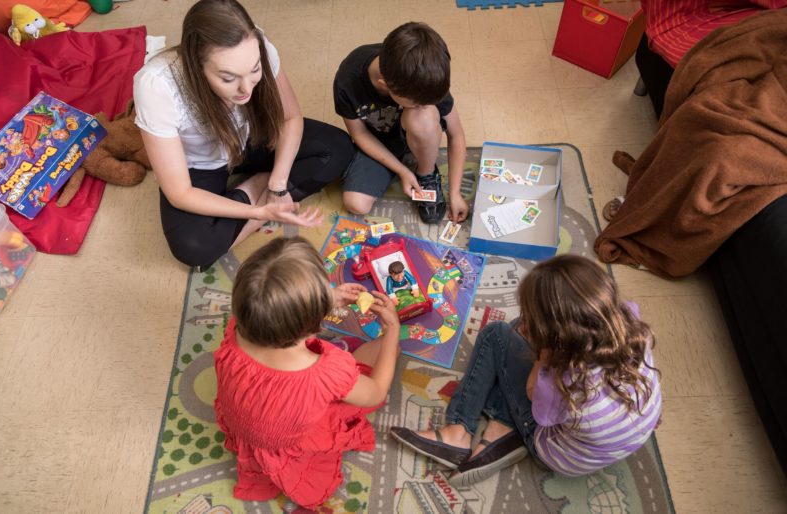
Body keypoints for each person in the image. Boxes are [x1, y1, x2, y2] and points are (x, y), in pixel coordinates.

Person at [390, 255, 662, 487]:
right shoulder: (630, 323)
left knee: (496, 335)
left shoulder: (558, 382)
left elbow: (535, 403)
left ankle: (458, 431)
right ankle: (500, 433)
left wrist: (541, 361)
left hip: (554, 452)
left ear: (558, 343)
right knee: (518, 326)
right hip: (623, 439)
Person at [134, 0, 355, 269]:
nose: (245, 89)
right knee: (194, 248)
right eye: (228, 78)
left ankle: (264, 186)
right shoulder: (157, 85)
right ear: (195, 64)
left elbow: (290, 117)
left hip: (252, 137)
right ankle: (255, 188)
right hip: (201, 164)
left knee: (338, 148)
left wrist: (278, 182)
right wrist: (258, 212)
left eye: (254, 71)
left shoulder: (257, 46)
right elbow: (179, 192)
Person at [213, 237, 401, 509]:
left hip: (249, 421)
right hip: (288, 439)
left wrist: (327, 298)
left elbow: (273, 309)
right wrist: (392, 328)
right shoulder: (325, 371)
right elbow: (375, 393)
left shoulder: (237, 326)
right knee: (388, 351)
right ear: (314, 323)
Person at [333, 22, 468, 224]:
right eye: (418, 103)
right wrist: (402, 170)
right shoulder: (347, 81)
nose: (426, 104)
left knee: (424, 117)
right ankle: (408, 162)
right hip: (378, 141)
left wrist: (455, 193)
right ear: (385, 86)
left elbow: (456, 135)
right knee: (356, 204)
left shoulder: (425, 76)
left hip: (417, 130)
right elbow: (359, 134)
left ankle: (427, 172)